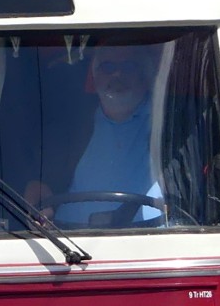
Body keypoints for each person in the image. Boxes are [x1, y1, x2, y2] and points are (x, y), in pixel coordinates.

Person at [50, 42, 166, 228]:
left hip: (153, 244)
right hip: (66, 243)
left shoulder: (170, 124)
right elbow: (43, 183)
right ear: (94, 77)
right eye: (108, 67)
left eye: (128, 66)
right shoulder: (72, 124)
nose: (117, 75)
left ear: (145, 74)